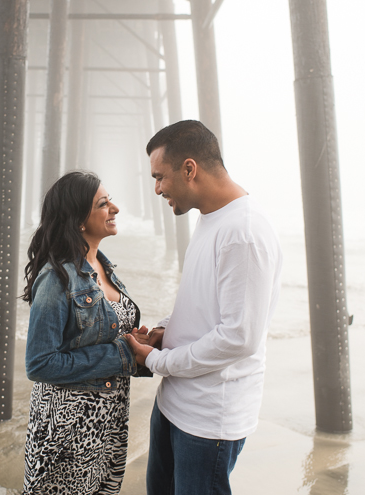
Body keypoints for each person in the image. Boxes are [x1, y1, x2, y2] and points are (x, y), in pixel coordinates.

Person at [125, 120, 283, 495]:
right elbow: (202, 302)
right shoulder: (211, 217)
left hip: (209, 420)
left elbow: (238, 338)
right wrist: (167, 330)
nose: (157, 188)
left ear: (190, 169)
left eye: (160, 177)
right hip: (175, 405)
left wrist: (156, 361)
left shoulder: (243, 232)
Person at [21, 171, 147, 495]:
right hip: (69, 427)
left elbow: (105, 334)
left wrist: (142, 343)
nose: (115, 208)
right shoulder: (56, 279)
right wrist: (122, 355)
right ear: (79, 220)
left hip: (108, 417)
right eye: (104, 204)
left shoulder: (105, 268)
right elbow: (40, 363)